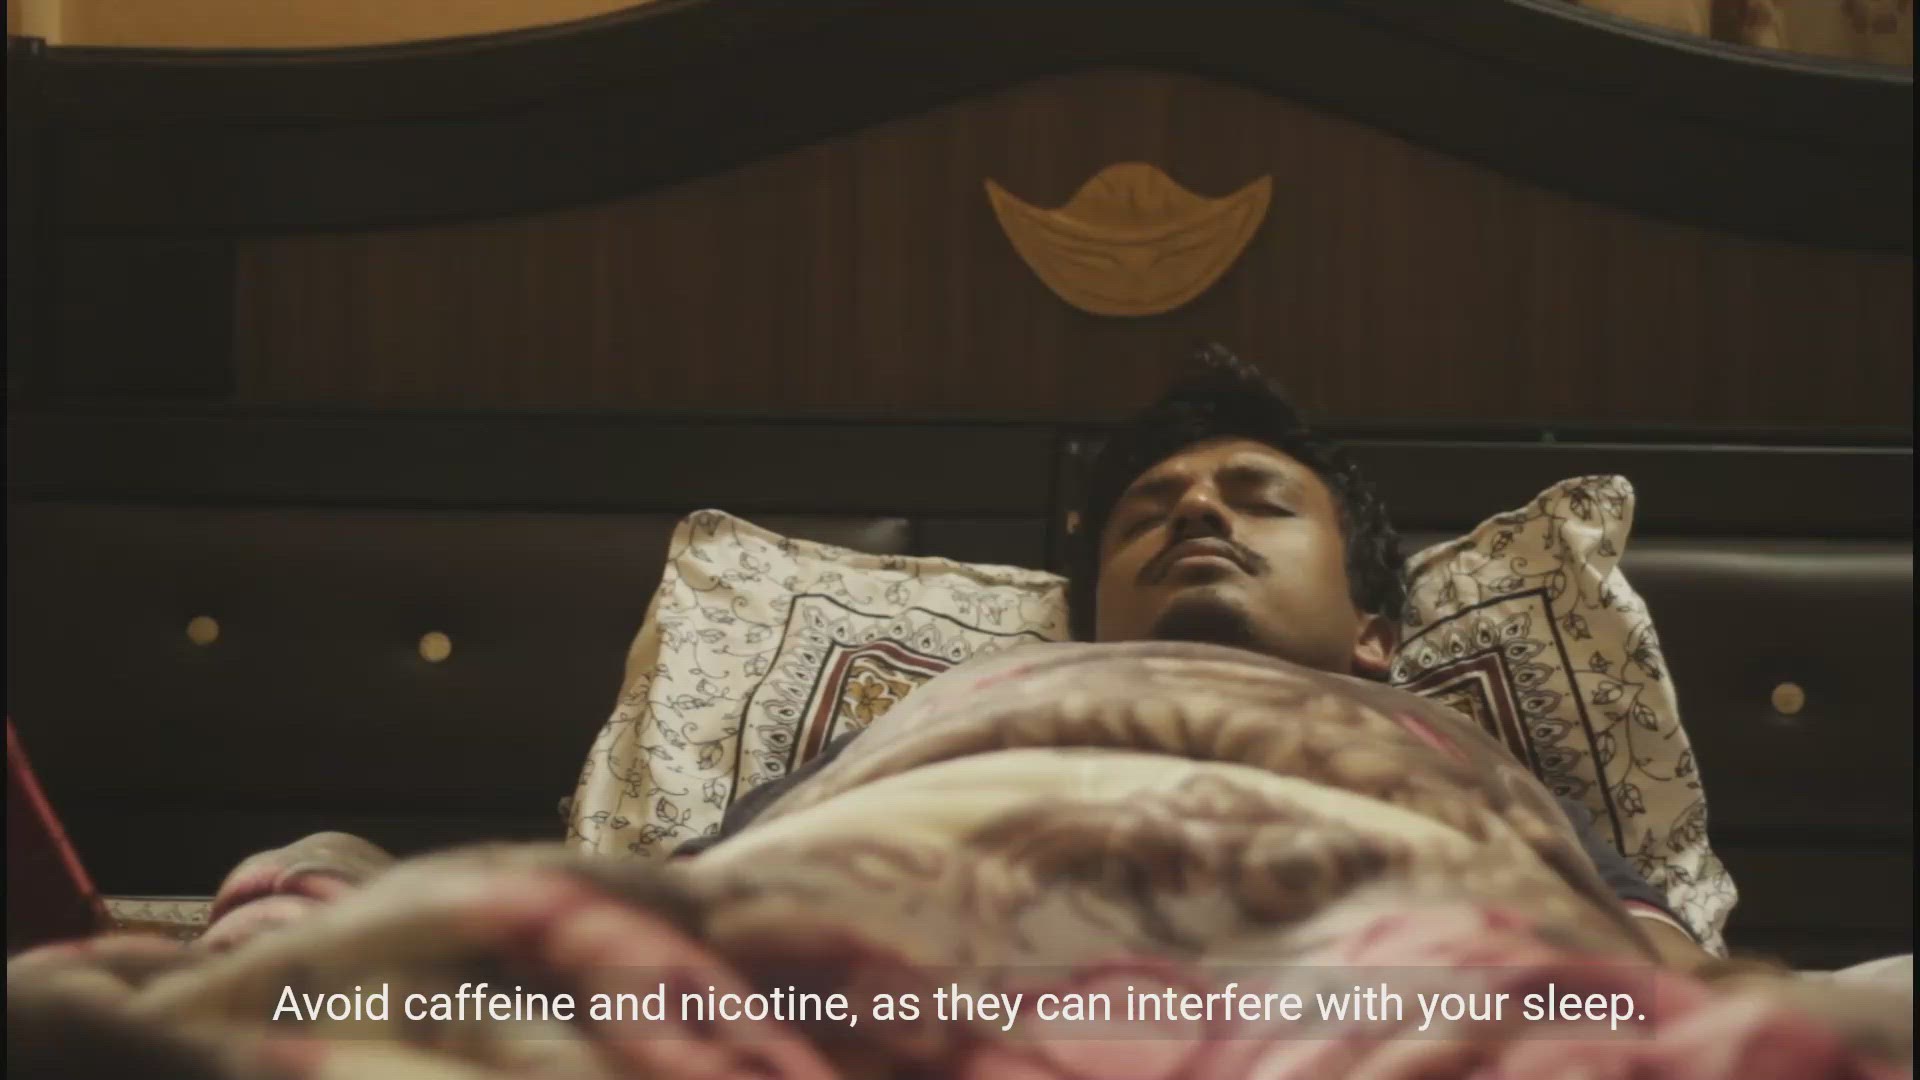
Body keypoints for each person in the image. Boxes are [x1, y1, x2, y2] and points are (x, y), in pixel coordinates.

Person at [678, 343, 1712, 972]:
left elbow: (1655, 964)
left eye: (1260, 500)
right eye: (1147, 516)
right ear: (1089, 625)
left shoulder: (1449, 746)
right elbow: (686, 917)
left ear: (1375, 635)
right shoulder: (954, 705)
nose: (1200, 511)